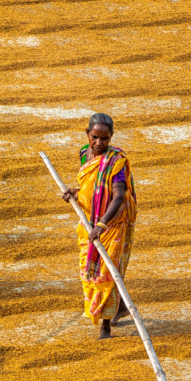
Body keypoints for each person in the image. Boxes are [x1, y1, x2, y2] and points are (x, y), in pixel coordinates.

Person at [61, 113, 136, 339]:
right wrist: (75, 193)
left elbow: (118, 196)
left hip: (112, 223)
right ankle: (120, 307)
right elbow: (90, 186)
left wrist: (102, 224)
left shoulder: (117, 162)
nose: (99, 144)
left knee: (106, 272)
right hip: (90, 220)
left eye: (104, 139)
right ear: (87, 134)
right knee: (89, 271)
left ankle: (106, 325)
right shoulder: (85, 153)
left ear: (111, 137)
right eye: (95, 137)